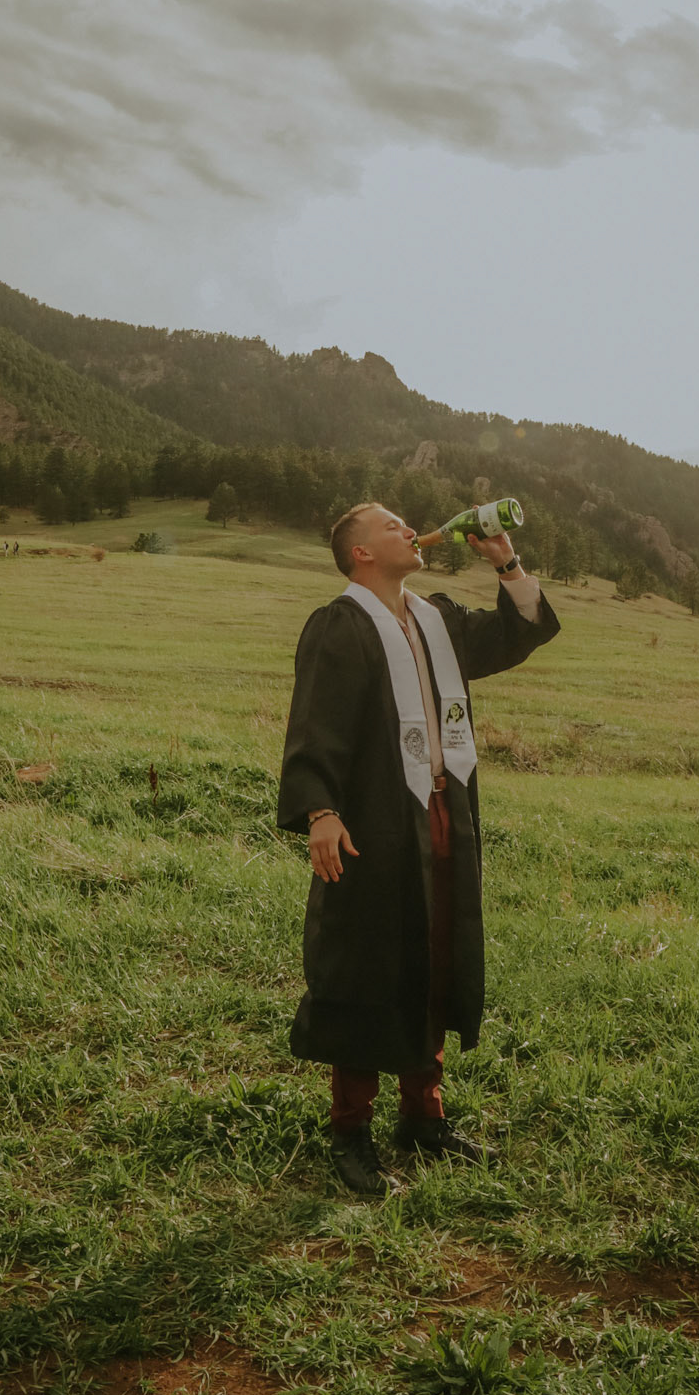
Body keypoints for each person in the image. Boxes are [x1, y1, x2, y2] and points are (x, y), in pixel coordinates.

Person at [277, 503, 559, 1197]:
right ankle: (350, 1132)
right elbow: (314, 721)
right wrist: (320, 811)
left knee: (435, 958)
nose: (409, 529)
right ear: (361, 552)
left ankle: (422, 1118)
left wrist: (505, 560)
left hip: (443, 810)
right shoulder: (340, 624)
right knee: (367, 964)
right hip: (372, 819)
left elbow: (517, 633)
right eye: (391, 524)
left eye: (407, 523)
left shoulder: (436, 619)